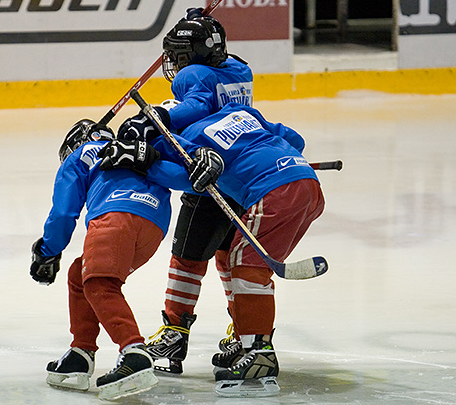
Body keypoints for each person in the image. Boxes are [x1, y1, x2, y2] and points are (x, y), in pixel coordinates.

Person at [107, 99, 325, 397]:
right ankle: (246, 342)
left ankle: (258, 352)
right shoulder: (239, 113)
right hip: (306, 183)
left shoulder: (185, 139)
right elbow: (294, 139)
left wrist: (148, 166)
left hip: (274, 191)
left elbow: (187, 177)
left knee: (246, 266)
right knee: (241, 260)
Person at [117, 9, 254, 374]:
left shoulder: (194, 76)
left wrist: (155, 117)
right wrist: (201, 27)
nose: (173, 64)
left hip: (207, 179)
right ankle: (243, 333)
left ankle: (175, 334)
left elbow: (195, 104)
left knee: (187, 258)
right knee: (227, 257)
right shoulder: (241, 70)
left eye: (178, 54)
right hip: (241, 179)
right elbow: (216, 73)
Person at [30, 119, 187, 401]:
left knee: (99, 284)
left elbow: (64, 212)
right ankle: (81, 353)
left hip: (114, 216)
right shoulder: (136, 149)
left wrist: (48, 251)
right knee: (81, 274)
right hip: (154, 226)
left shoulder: (82, 154)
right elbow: (182, 179)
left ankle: (134, 352)